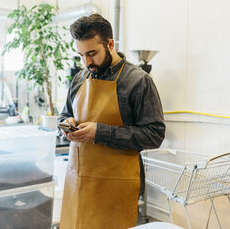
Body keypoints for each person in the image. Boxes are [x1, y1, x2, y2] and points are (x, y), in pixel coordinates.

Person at [58, 14, 165, 229]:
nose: (87, 62)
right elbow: (63, 115)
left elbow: (154, 134)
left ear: (110, 44)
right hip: (79, 179)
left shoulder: (138, 81)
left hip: (117, 183)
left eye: (92, 54)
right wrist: (65, 125)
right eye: (81, 55)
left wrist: (100, 132)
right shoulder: (80, 78)